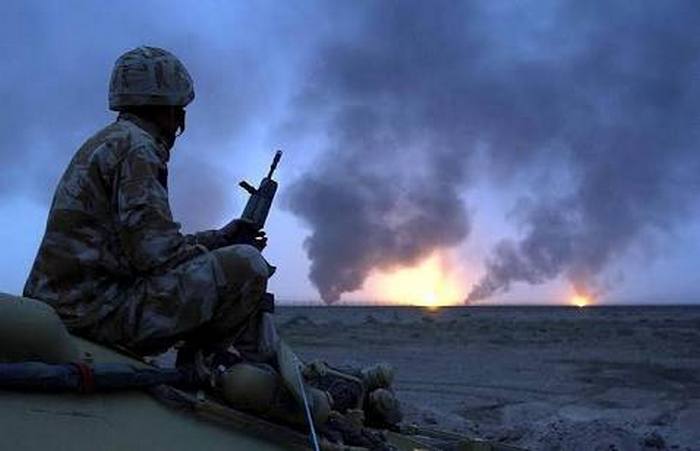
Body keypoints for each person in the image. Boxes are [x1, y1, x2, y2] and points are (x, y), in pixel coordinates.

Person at [23, 46, 274, 361]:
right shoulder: (138, 149)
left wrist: (218, 238)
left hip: (70, 305)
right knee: (246, 265)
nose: (180, 121)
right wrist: (227, 251)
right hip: (96, 313)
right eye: (179, 109)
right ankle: (202, 368)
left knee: (231, 257)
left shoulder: (109, 141)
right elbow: (157, 257)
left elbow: (143, 247)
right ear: (168, 108)